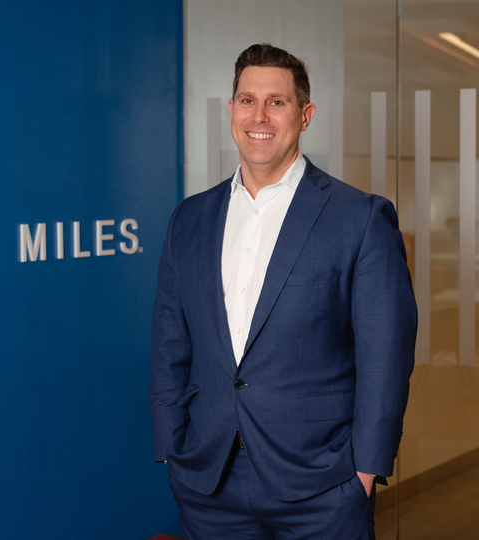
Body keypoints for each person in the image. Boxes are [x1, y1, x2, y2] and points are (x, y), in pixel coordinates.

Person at [149, 43, 417, 539]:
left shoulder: (360, 218)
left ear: (305, 114)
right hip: (208, 482)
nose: (260, 116)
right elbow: (170, 343)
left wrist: (364, 474)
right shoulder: (189, 218)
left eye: (277, 102)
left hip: (322, 484)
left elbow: (387, 356)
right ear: (231, 110)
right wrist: (172, 448)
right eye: (248, 100)